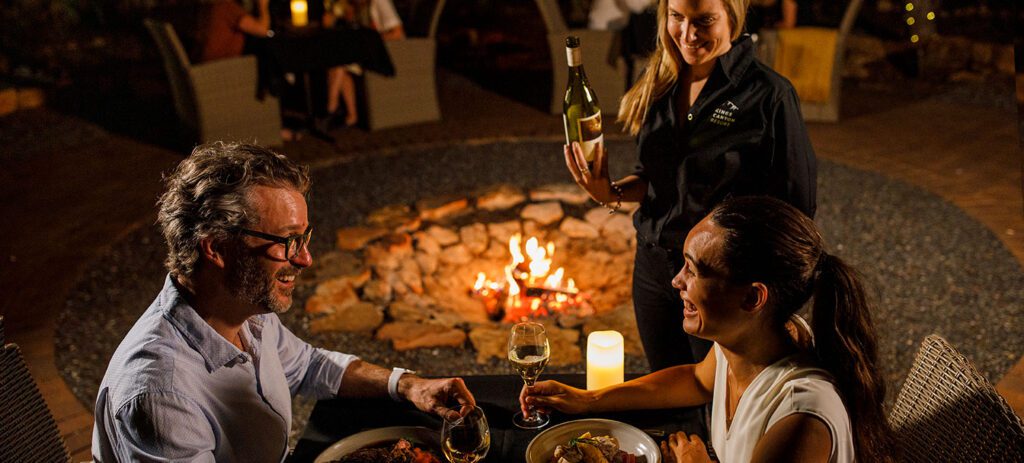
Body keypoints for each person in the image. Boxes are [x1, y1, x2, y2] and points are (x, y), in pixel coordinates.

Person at [91, 142, 475, 461]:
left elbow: (307, 365)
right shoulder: (161, 393)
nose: (304, 259)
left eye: (304, 238)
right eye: (287, 241)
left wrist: (409, 386)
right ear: (217, 248)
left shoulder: (243, 309)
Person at [521, 196, 894, 463]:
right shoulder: (751, 340)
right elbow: (698, 380)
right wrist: (588, 399)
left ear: (752, 298)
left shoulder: (799, 420)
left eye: (694, 271)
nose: (675, 281)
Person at [564, 0, 816, 372]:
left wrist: (766, 298)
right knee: (665, 383)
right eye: (677, 18)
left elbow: (797, 208)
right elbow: (652, 175)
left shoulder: (769, 95)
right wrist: (611, 192)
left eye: (704, 21)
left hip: (717, 280)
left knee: (715, 400)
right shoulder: (660, 80)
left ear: (732, 16)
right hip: (651, 267)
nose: (687, 33)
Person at [323, 0, 406, 127]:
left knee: (340, 61)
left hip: (389, 53)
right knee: (337, 60)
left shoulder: (380, 2)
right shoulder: (354, 6)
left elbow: (397, 33)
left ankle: (330, 110)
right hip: (364, 53)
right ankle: (349, 115)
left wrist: (369, 41)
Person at [198, 0, 272, 63]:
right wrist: (263, 6)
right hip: (221, 65)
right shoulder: (226, 6)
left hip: (213, 64)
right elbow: (263, 30)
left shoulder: (216, 6)